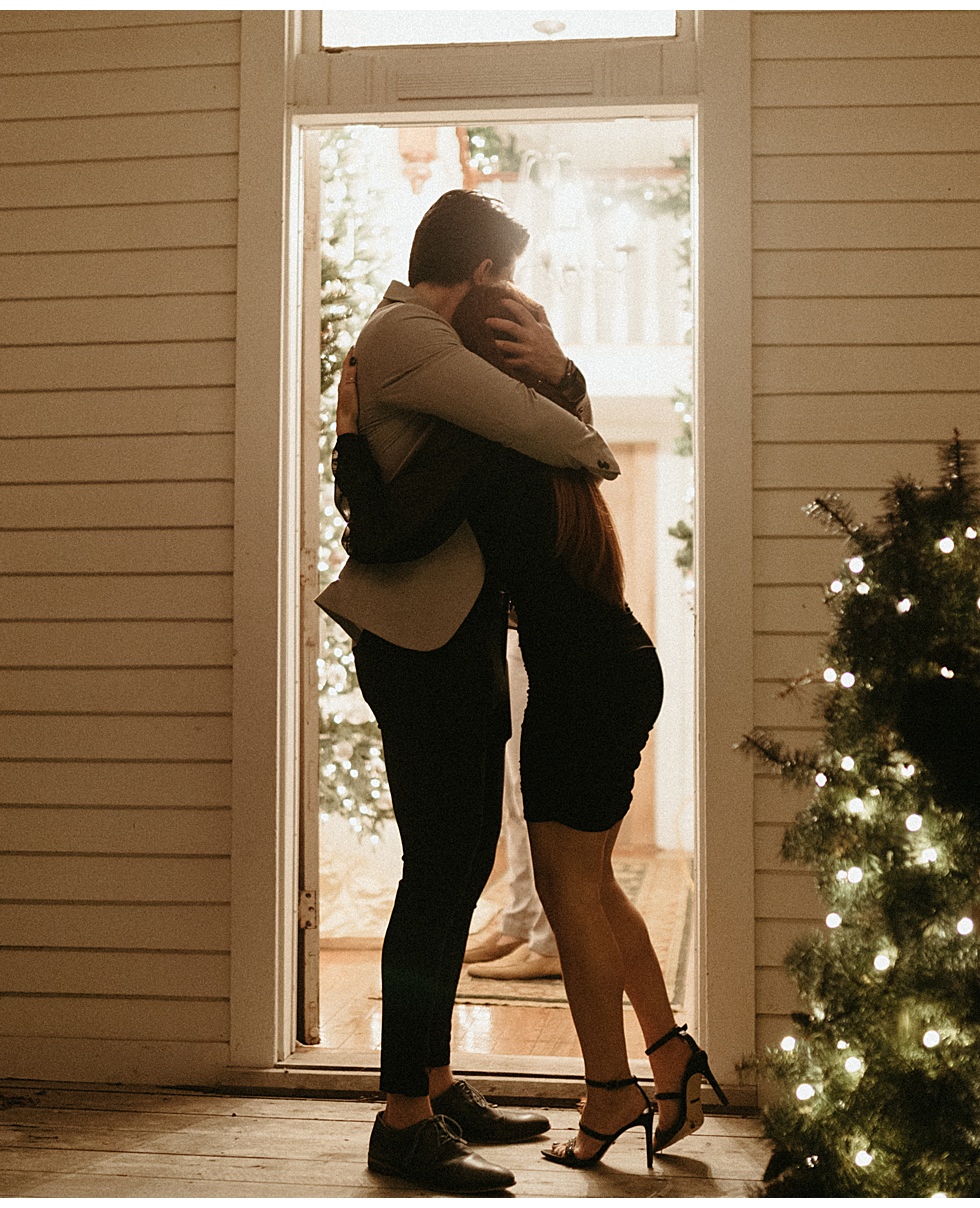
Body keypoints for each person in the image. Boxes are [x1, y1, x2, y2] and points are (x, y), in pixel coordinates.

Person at [332, 280, 727, 1171]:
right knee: (592, 882)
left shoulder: (488, 444)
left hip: (582, 685)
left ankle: (609, 1095)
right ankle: (668, 1053)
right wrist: (563, 371)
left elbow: (386, 534)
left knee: (570, 892)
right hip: (618, 666)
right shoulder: (549, 434)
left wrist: (352, 442)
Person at [315, 190, 620, 1195]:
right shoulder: (407, 334)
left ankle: (435, 1086)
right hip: (421, 643)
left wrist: (554, 378)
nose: (513, 309)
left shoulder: (411, 345)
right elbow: (573, 443)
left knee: (453, 864)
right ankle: (403, 1119)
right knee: (439, 872)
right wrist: (555, 374)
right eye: (508, 287)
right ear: (483, 277)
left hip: (448, 638)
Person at [464, 627, 564, 981]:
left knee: (533, 793)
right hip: (512, 633)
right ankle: (520, 923)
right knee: (514, 796)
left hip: (541, 634)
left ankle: (548, 942)